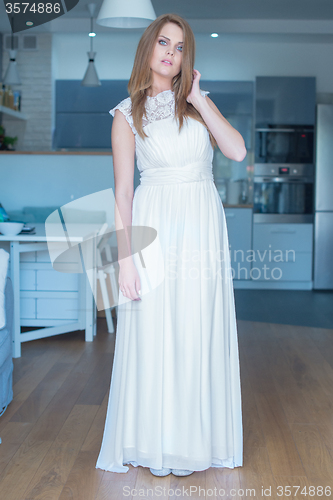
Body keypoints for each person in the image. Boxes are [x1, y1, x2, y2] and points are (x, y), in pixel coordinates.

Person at [95, 12, 246, 477]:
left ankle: (198, 441)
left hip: (201, 224)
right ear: (148, 47)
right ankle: (154, 440)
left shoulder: (197, 104)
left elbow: (237, 151)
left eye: (180, 48)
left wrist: (200, 98)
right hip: (155, 225)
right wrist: (125, 260)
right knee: (157, 332)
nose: (171, 54)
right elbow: (123, 192)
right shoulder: (126, 114)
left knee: (198, 327)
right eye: (164, 43)